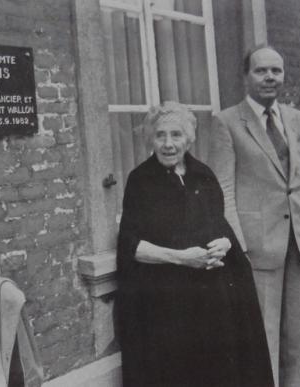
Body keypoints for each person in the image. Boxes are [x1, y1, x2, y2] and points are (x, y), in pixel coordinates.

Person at [116, 101, 273, 387]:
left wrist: (225, 244)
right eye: (160, 135)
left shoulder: (204, 174)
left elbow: (220, 224)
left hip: (212, 297)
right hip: (166, 301)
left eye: (176, 135)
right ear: (150, 139)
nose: (167, 144)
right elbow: (130, 246)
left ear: (189, 139)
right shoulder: (140, 181)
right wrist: (181, 258)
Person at [208, 45, 300, 387]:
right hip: (257, 249)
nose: (269, 77)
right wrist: (241, 247)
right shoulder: (226, 122)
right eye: (261, 70)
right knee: (262, 339)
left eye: (276, 71)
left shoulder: (296, 119)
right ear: (245, 76)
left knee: (298, 338)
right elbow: (224, 191)